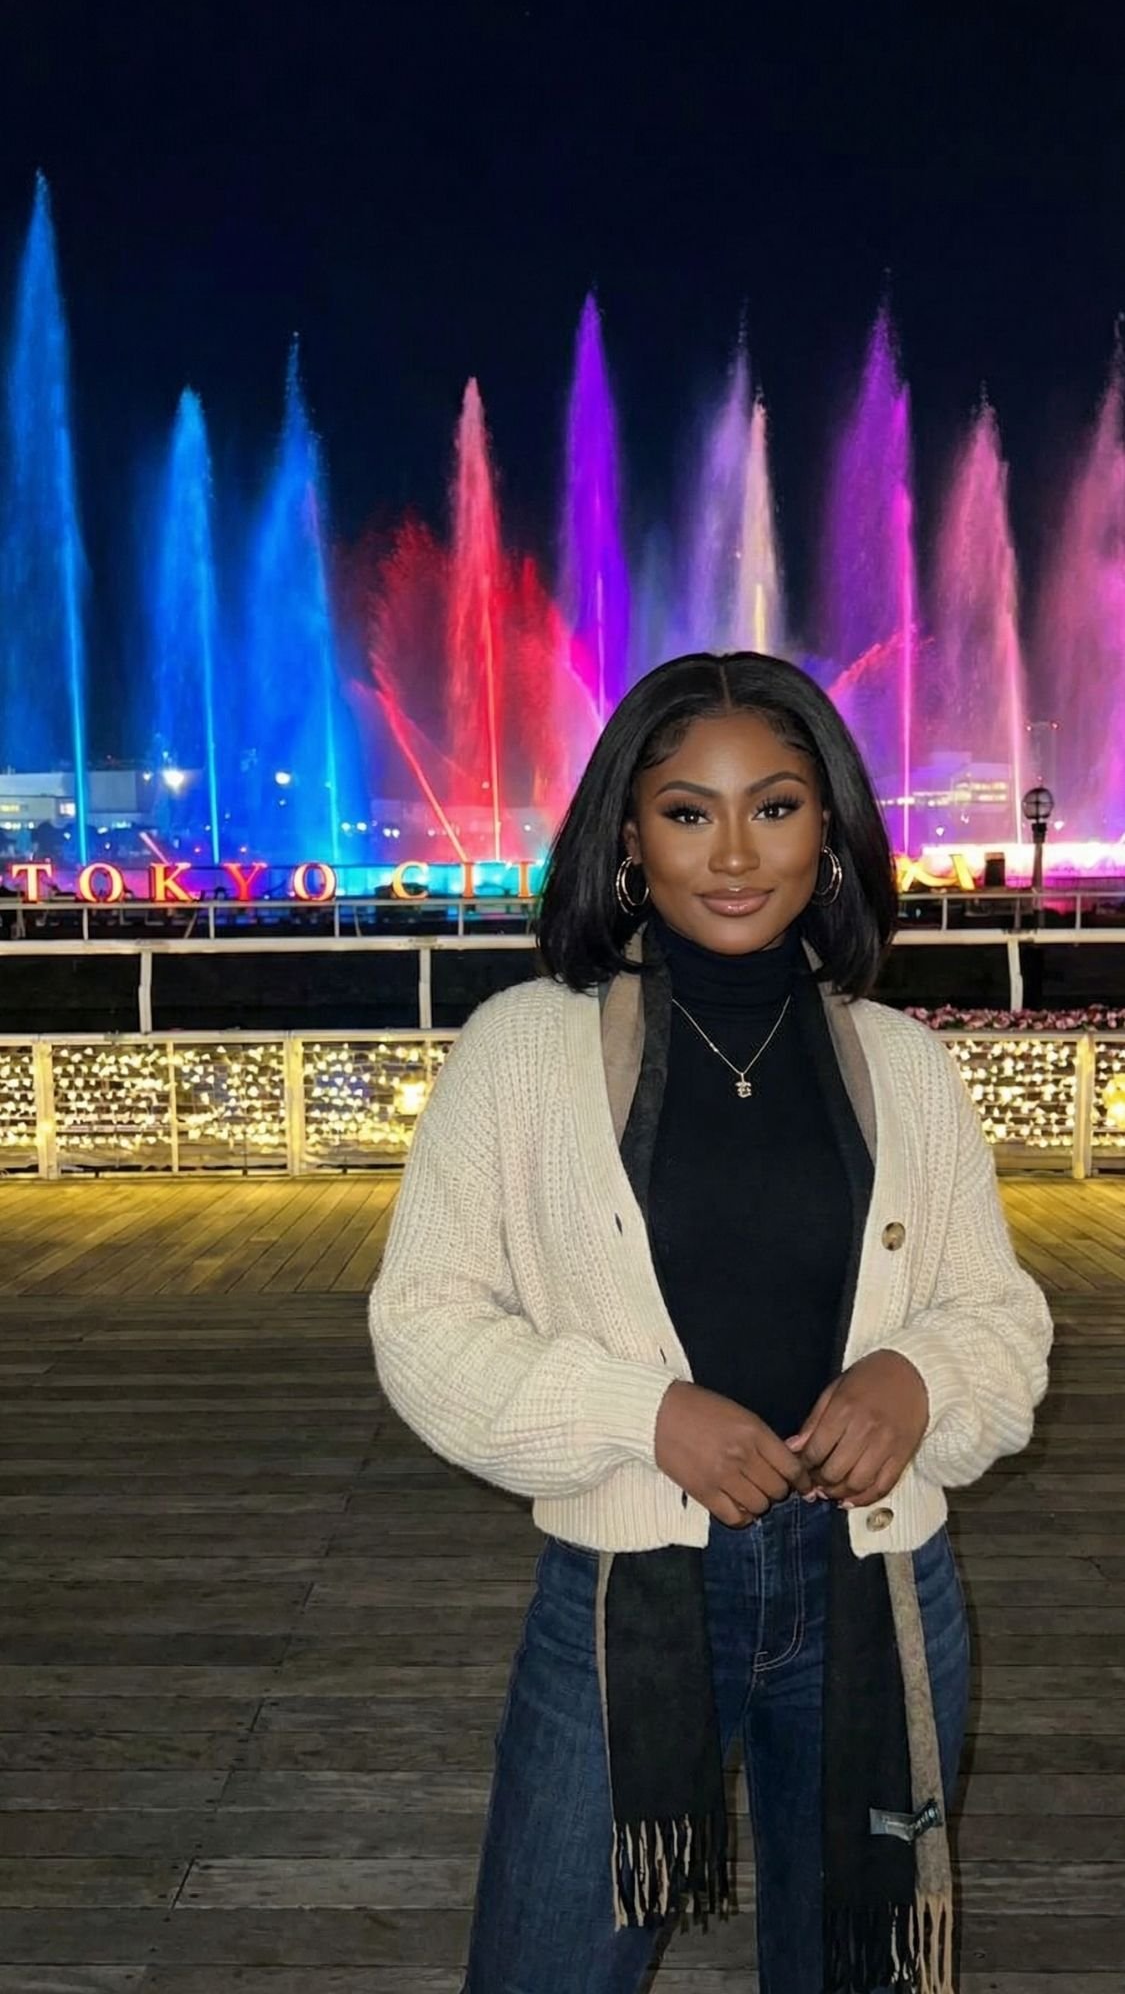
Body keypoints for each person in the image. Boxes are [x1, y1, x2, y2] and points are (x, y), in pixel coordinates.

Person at [369, 652, 1053, 1994]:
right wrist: (644, 1416)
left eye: (776, 807)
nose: (733, 852)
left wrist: (916, 1379)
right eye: (688, 812)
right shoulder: (522, 1049)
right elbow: (426, 1320)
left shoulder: (902, 1064)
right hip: (630, 1590)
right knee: (543, 1967)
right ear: (628, 833)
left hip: (877, 1591)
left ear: (832, 832)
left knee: (861, 1966)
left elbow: (1001, 1314)